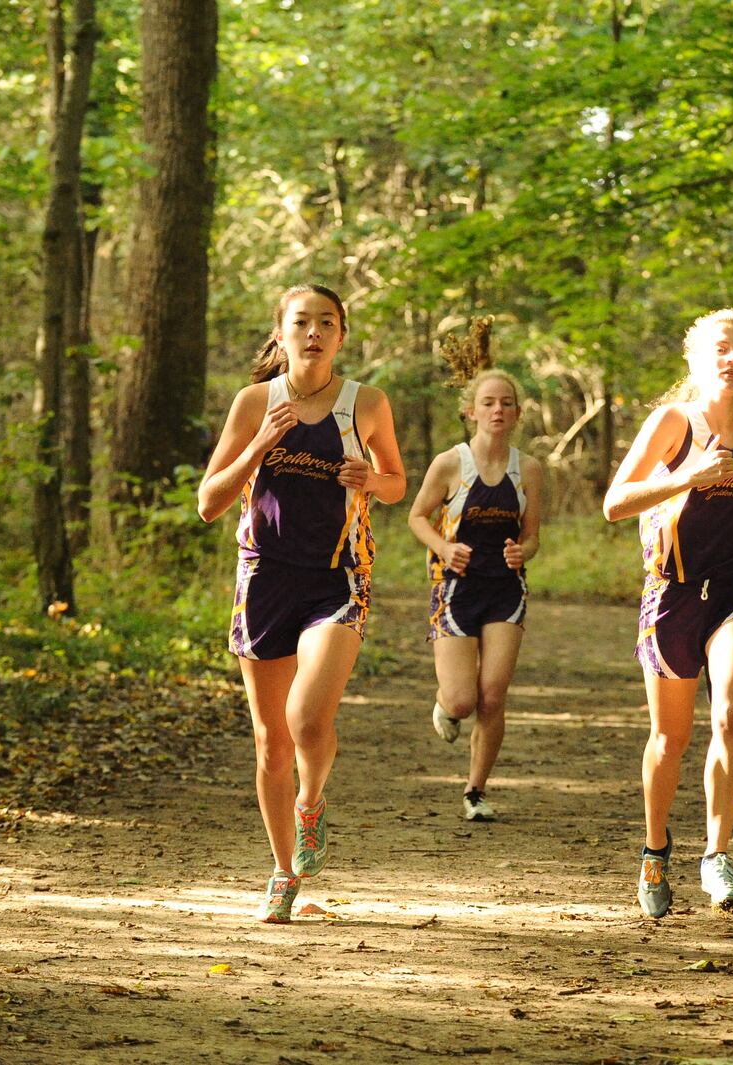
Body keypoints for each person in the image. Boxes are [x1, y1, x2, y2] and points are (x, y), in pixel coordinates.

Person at [197, 283, 406, 923]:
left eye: (326, 322)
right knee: (268, 742)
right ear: (280, 333)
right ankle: (284, 873)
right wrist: (259, 443)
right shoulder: (255, 402)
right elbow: (208, 502)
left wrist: (372, 480)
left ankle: (309, 804)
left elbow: (397, 484)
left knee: (307, 718)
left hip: (338, 576)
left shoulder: (364, 403)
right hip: (263, 578)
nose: (313, 331)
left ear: (342, 335)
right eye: (301, 322)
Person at [602, 308, 733, 918]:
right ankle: (656, 848)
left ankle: (717, 855)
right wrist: (685, 475)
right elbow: (614, 502)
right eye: (721, 348)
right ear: (694, 358)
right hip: (672, 594)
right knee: (670, 737)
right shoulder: (672, 422)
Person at [407, 369, 544, 822]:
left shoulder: (530, 470)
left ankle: (475, 791)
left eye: (506, 402)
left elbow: (532, 537)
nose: (498, 410)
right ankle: (446, 703)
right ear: (471, 411)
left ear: (518, 413)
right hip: (455, 591)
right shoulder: (450, 463)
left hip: (506, 592)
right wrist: (444, 547)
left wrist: (520, 551)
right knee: (464, 700)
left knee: (493, 695)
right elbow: (417, 517)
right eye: (488, 403)